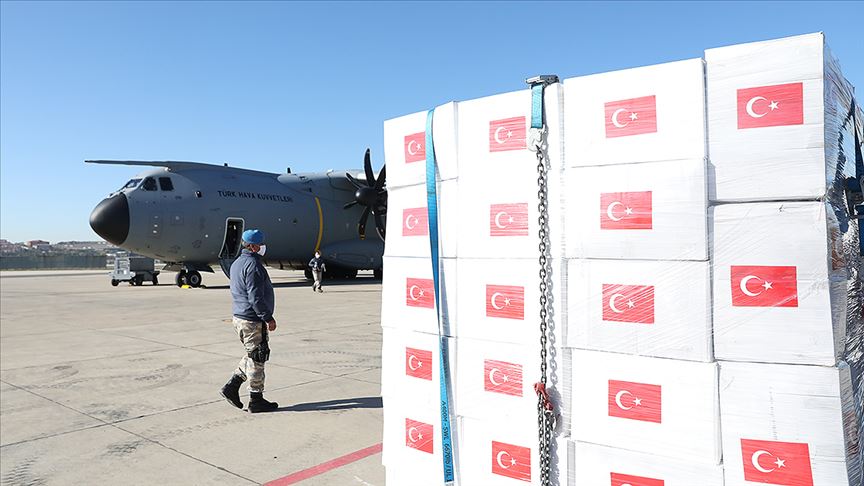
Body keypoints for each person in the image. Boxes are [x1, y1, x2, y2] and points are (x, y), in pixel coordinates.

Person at [220, 229, 279, 413]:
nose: (263, 247)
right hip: (252, 319)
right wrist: (267, 317)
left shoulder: (237, 263)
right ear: (253, 247)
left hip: (240, 317)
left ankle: (232, 386)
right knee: (258, 357)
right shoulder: (253, 265)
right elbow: (255, 297)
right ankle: (256, 399)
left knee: (253, 355)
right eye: (260, 244)